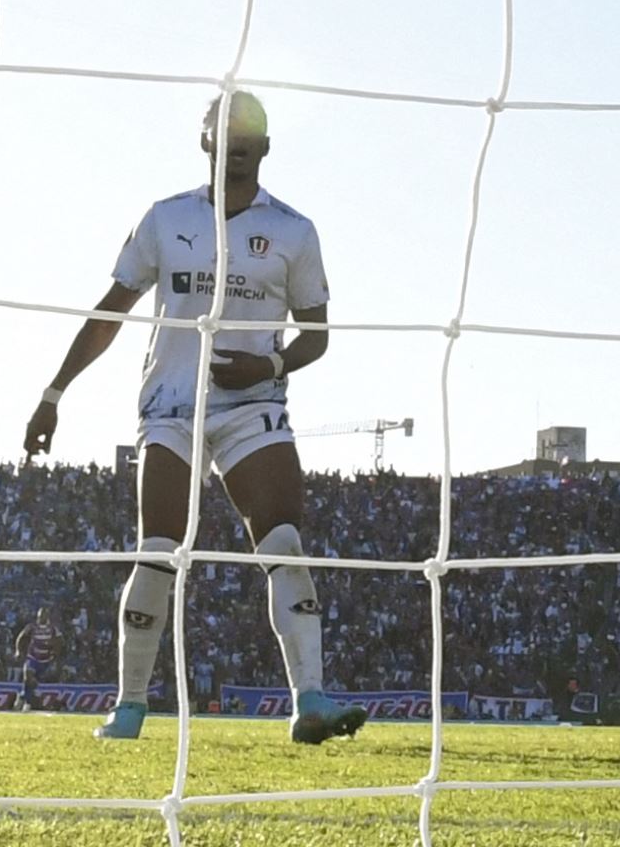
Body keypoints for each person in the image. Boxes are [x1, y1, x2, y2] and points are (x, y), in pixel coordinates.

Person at [23, 90, 366, 746]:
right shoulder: (166, 218)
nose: (237, 140)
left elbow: (317, 336)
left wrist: (268, 369)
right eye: (226, 129)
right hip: (171, 404)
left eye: (251, 131)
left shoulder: (294, 231)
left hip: (252, 405)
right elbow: (111, 311)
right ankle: (128, 710)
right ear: (205, 140)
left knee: (284, 544)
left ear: (265, 146)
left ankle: (311, 703)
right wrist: (54, 392)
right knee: (159, 552)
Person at [12, 607, 63, 711]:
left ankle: (23, 696)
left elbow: (60, 641)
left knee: (31, 683)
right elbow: (20, 638)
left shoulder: (53, 629)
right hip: (33, 658)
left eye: (44, 616)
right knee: (28, 675)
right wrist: (18, 650)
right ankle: (28, 703)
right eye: (40, 616)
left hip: (46, 660)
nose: (41, 618)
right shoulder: (32, 627)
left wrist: (56, 654)